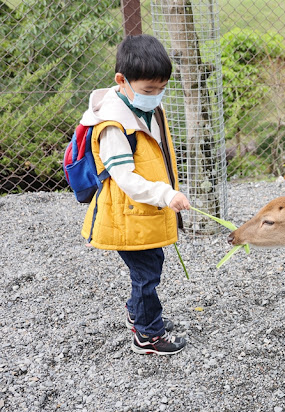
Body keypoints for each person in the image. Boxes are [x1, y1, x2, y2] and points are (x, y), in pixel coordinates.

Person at [79, 34, 189, 355]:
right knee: (146, 276)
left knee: (149, 266)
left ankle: (140, 314)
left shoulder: (144, 107)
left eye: (161, 89)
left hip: (144, 212)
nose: (156, 97)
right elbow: (125, 178)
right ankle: (147, 335)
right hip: (129, 214)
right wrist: (165, 194)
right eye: (148, 91)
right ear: (121, 81)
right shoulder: (115, 127)